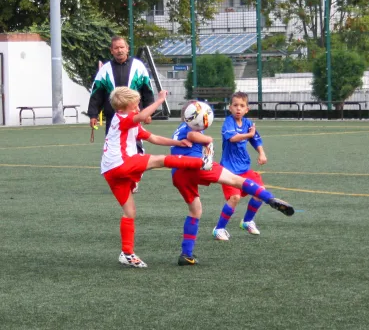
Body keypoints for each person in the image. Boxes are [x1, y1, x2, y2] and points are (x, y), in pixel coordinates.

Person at [171, 101, 294, 267]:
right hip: (195, 165)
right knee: (237, 181)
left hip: (178, 173)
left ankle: (186, 254)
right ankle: (269, 199)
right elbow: (194, 136)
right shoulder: (192, 129)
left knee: (195, 210)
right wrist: (207, 141)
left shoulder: (180, 127)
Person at [101, 87, 213, 269]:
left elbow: (153, 137)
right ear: (122, 109)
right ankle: (201, 163)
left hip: (109, 170)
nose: (138, 109)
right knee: (160, 160)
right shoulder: (123, 118)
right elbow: (140, 117)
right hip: (121, 163)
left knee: (130, 212)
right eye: (135, 106)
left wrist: (177, 142)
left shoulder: (127, 122)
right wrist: (160, 100)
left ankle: (127, 253)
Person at [88, 36, 155, 192]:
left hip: (134, 117)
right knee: (114, 149)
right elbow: (96, 93)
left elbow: (148, 91)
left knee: (136, 147)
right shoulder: (105, 70)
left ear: (127, 48)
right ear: (111, 51)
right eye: (116, 48)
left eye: (122, 47)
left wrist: (148, 112)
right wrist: (93, 115)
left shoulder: (138, 66)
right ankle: (121, 179)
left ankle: (135, 179)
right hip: (113, 119)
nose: (119, 50)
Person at [212, 91, 266, 241]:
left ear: (247, 109)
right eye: (235, 105)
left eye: (242, 106)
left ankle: (247, 221)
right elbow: (234, 138)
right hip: (229, 171)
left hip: (244, 169)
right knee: (234, 197)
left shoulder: (248, 123)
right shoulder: (228, 123)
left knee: (260, 193)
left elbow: (256, 139)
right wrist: (248, 135)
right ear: (230, 108)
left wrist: (261, 153)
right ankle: (219, 229)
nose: (238, 109)